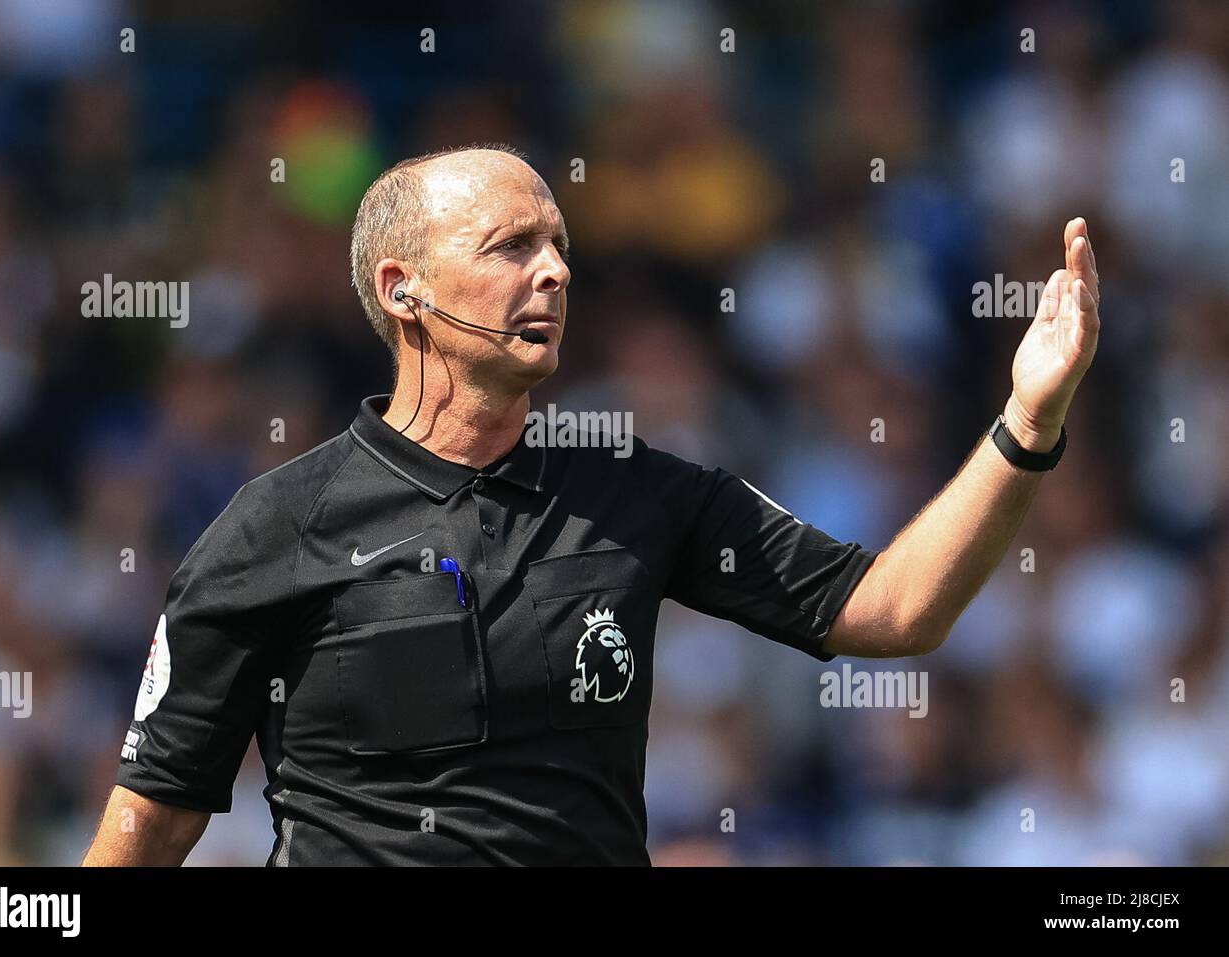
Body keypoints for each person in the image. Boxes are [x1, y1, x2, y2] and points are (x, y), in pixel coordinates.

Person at [82, 144, 1101, 865]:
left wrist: (1026, 420)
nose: (556, 271)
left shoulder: (637, 490)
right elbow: (149, 823)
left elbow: (894, 610)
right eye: (511, 246)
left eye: (559, 245)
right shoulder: (273, 526)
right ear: (403, 290)